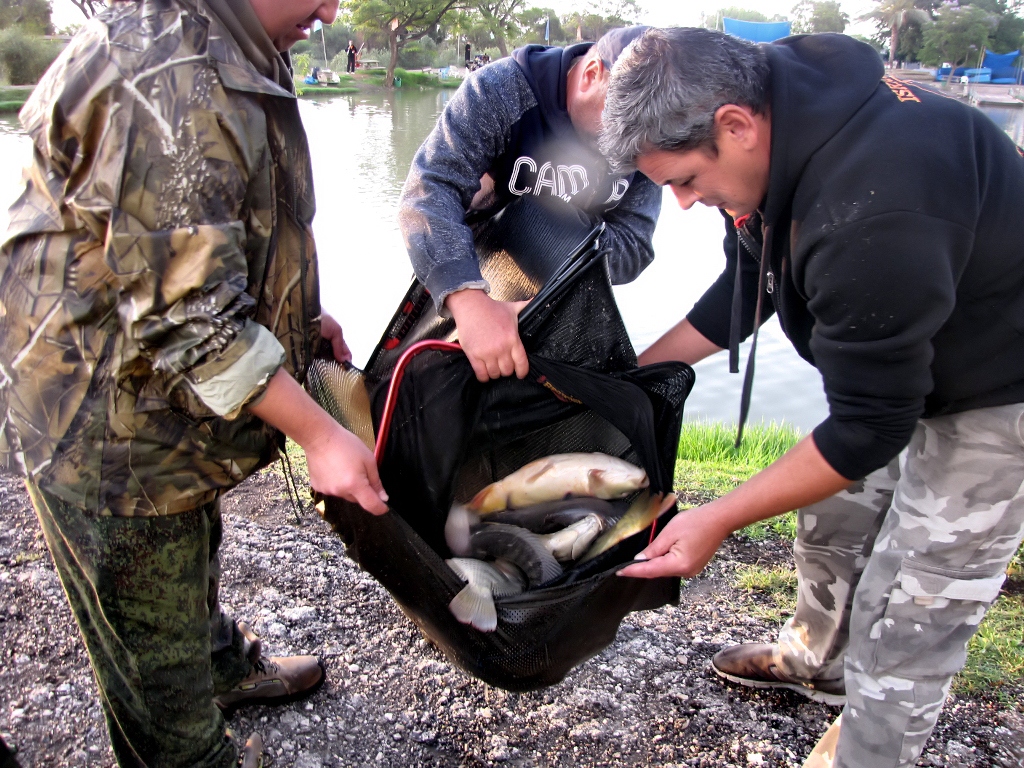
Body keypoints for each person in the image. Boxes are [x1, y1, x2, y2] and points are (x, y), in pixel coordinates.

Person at [599, 27, 1024, 768]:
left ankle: (865, 751)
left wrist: (718, 519)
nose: (685, 205)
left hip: (1001, 380)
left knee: (911, 610)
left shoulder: (871, 209)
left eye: (685, 182)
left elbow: (868, 427)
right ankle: (815, 659)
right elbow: (749, 279)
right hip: (905, 345)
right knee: (834, 512)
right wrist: (636, 371)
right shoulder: (783, 108)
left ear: (735, 125)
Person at [0, 0, 389, 766]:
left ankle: (219, 664)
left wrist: (300, 320)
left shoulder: (243, 39)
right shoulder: (166, 71)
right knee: (152, 645)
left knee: (190, 530)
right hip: (102, 419)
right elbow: (192, 320)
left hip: (166, 395)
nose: (333, 9)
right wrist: (320, 433)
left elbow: (221, 229)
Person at [399, 26, 662, 383]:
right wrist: (469, 302)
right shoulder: (501, 90)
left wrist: (555, 242)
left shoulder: (649, 135)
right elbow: (428, 190)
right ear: (591, 75)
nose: (628, 152)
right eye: (619, 129)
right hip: (467, 285)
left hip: (563, 308)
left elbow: (635, 245)